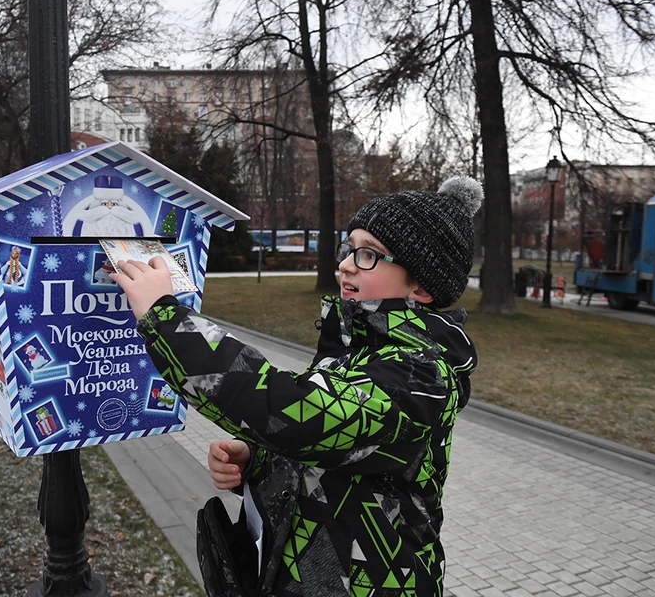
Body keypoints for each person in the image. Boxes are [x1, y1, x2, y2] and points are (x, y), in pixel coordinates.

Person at [111, 177, 483, 597]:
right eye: (350, 247)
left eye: (368, 255)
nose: (345, 264)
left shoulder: (420, 376)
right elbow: (333, 449)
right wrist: (258, 460)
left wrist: (167, 319)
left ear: (422, 287)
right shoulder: (356, 347)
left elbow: (298, 415)